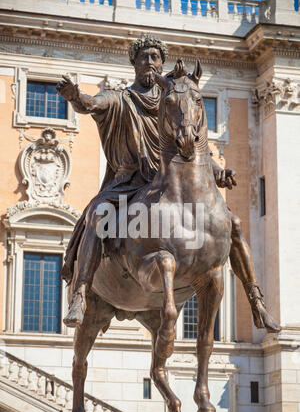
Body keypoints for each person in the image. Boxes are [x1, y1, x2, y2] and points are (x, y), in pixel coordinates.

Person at [56, 35, 280, 333]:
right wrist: (75, 97)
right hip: (128, 184)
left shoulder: (173, 100)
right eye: (144, 57)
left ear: (161, 64)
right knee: (98, 215)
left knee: (232, 223)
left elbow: (192, 147)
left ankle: (256, 300)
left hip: (170, 184)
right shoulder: (119, 98)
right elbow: (90, 104)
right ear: (133, 63)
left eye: (155, 57)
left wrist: (217, 170)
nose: (149, 62)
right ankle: (80, 293)